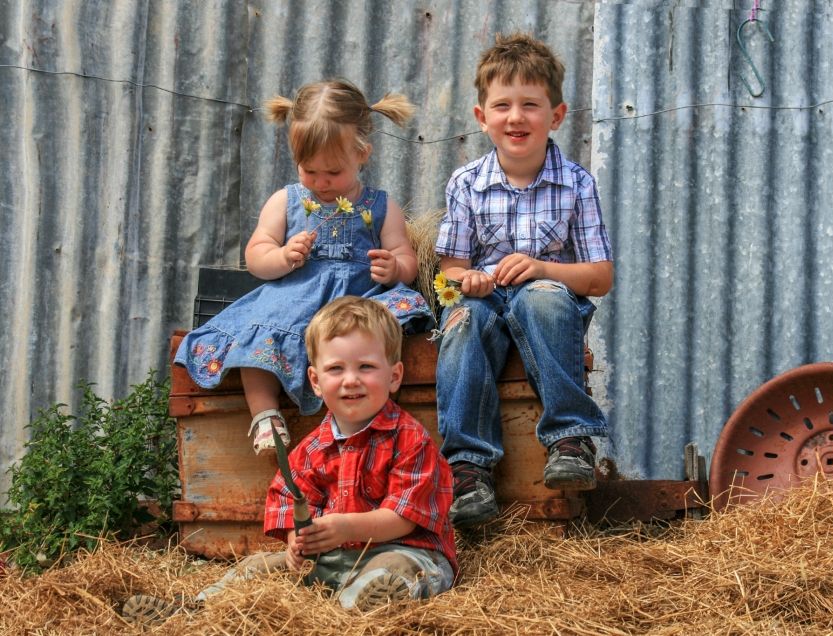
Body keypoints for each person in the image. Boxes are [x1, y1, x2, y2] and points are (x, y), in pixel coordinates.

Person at [123, 297, 456, 624]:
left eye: (365, 367)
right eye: (336, 369)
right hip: (332, 559)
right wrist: (298, 540)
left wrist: (344, 527)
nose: (350, 379)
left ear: (394, 376)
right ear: (316, 381)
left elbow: (403, 518)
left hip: (403, 548)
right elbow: (290, 501)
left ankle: (353, 613)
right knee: (257, 566)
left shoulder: (410, 439)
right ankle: (197, 612)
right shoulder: (311, 449)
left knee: (399, 571)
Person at [174, 80, 433, 455]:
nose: (321, 183)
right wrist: (282, 257)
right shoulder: (287, 200)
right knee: (256, 338)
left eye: (333, 172)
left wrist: (394, 268)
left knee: (379, 332)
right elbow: (256, 255)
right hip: (294, 300)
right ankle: (265, 416)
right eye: (309, 171)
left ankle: (366, 416)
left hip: (357, 301)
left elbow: (406, 258)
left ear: (362, 154)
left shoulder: (380, 206)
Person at [434, 33, 614, 528]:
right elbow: (448, 268)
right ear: (481, 117)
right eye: (503, 105)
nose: (516, 117)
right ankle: (469, 469)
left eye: (530, 105)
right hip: (486, 300)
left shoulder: (577, 184)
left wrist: (542, 269)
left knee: (542, 299)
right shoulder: (466, 183)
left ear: (556, 115)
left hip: (548, 301)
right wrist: (466, 278)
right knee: (462, 321)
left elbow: (600, 277)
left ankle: (570, 440)